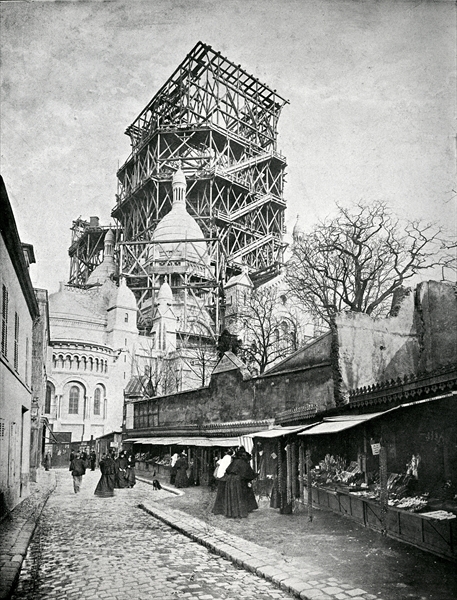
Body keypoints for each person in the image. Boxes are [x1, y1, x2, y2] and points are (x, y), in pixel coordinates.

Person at [224, 447, 258, 518]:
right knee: (239, 496)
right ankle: (239, 513)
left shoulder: (234, 461)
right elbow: (249, 474)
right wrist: (256, 474)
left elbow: (227, 470)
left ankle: (231, 513)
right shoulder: (244, 463)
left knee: (232, 496)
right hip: (237, 480)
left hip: (229, 479)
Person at [212, 449, 233, 515]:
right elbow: (229, 469)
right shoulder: (230, 458)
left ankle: (218, 509)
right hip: (225, 477)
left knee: (220, 494)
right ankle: (224, 510)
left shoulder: (224, 458)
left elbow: (218, 464)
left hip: (221, 477)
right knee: (226, 494)